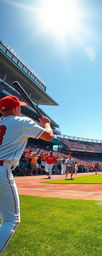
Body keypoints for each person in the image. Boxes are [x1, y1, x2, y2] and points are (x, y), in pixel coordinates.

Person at [0, 95, 53, 255]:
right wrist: (47, 124)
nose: (21, 109)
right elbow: (48, 136)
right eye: (19, 107)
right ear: (16, 108)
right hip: (2, 168)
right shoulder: (21, 121)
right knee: (12, 220)